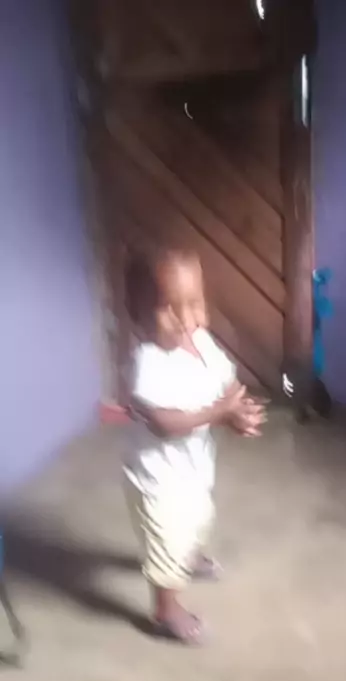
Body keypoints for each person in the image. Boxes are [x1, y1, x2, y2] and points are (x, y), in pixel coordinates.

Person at [124, 248, 265, 644]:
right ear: (138, 312)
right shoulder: (147, 360)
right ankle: (165, 609)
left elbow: (228, 385)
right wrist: (219, 413)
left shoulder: (202, 342)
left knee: (199, 516)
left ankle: (188, 554)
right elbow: (163, 423)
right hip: (156, 479)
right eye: (168, 309)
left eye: (195, 303)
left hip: (193, 468)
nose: (186, 320)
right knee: (166, 540)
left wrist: (238, 413)